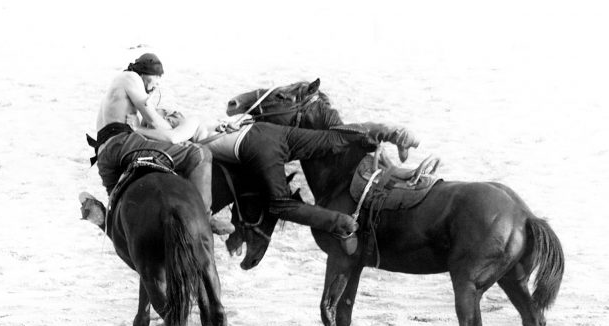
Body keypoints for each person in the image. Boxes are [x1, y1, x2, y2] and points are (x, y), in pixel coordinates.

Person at [196, 119, 419, 250]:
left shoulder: (187, 130)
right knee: (331, 139)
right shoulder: (208, 122)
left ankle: (342, 224)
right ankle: (394, 133)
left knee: (281, 205)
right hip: (266, 130)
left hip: (256, 146)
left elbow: (174, 138)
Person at [91, 53, 234, 235]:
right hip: (122, 144)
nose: (155, 86)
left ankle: (107, 220)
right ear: (144, 73)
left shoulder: (115, 89)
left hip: (104, 156)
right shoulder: (131, 77)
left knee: (119, 212)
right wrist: (173, 133)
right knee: (198, 154)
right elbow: (154, 119)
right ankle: (205, 219)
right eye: (155, 80)